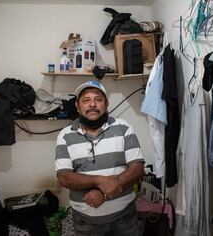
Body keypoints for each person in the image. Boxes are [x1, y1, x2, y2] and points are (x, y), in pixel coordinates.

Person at [55, 80, 145, 236]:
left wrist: (103, 194)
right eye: (86, 100)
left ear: (106, 103)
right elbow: (64, 178)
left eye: (98, 99)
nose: (92, 104)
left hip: (125, 217)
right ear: (77, 106)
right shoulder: (65, 135)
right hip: (85, 221)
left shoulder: (123, 127)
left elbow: (137, 169)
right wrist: (100, 181)